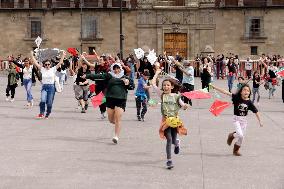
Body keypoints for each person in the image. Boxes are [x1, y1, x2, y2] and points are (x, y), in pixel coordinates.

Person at [210, 83, 263, 156]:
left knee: (241, 138)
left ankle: (236, 150)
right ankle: (231, 136)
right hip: (236, 119)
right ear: (241, 92)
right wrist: (214, 86)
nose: (246, 92)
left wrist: (260, 121)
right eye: (244, 90)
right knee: (240, 135)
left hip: (244, 121)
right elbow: (225, 92)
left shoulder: (249, 102)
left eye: (248, 90)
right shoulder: (236, 97)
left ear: (249, 93)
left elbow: (256, 111)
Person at [84, 63, 130, 144]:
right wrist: (87, 76)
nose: (116, 70)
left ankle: (116, 136)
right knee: (111, 119)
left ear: (120, 69)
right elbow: (99, 76)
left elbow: (131, 86)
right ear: (112, 69)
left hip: (121, 99)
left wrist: (127, 82)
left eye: (118, 68)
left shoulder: (125, 77)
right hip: (110, 99)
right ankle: (118, 125)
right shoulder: (109, 76)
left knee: (118, 118)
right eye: (115, 69)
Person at [152, 68, 189, 169]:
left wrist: (185, 106)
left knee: (173, 140)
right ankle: (169, 160)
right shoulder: (162, 95)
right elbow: (153, 84)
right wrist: (157, 73)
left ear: (172, 86)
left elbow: (182, 106)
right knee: (168, 139)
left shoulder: (176, 96)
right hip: (166, 121)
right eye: (164, 85)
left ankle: (177, 143)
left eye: (168, 85)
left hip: (175, 121)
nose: (165, 86)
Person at [30, 50, 66, 119]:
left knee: (49, 103)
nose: (47, 66)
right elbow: (35, 62)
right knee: (43, 100)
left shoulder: (53, 69)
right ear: (44, 65)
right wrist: (32, 55)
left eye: (48, 64)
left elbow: (60, 62)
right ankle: (41, 113)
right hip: (44, 87)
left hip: (51, 87)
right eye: (45, 64)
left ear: (50, 64)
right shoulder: (42, 69)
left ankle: (48, 113)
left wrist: (63, 55)